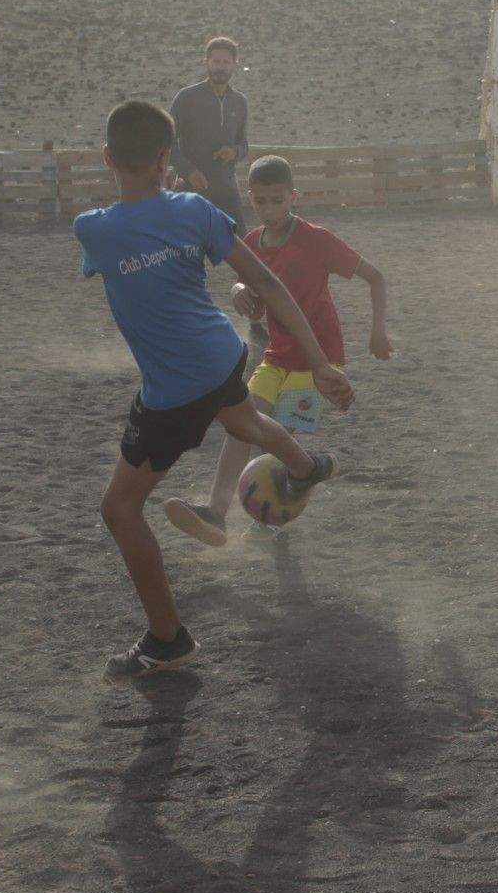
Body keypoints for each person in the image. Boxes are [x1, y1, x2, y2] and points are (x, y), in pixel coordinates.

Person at [76, 102, 351, 677]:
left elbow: (125, 232)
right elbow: (268, 283)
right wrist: (322, 362)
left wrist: (156, 190)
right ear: (165, 157)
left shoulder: (94, 229)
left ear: (107, 158)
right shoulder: (197, 211)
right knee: (243, 418)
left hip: (173, 390)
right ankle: (305, 465)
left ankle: (167, 638)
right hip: (224, 354)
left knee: (120, 509)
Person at [179, 155, 393, 540]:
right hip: (276, 354)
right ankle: (216, 513)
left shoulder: (317, 239)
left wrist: (378, 332)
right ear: (250, 199)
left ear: (293, 197)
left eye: (278, 200)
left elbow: (376, 278)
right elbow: (247, 286)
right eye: (261, 201)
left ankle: (270, 511)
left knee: (284, 439)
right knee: (243, 425)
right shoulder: (249, 243)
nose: (269, 209)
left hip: (318, 360)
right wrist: (238, 292)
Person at [168, 35, 252, 233]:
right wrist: (189, 171)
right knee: (187, 251)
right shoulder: (187, 97)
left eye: (226, 62)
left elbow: (244, 146)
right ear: (206, 62)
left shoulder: (239, 102)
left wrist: (233, 152)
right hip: (191, 189)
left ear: (234, 65)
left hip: (227, 190)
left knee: (243, 248)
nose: (220, 67)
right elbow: (166, 142)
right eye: (216, 61)